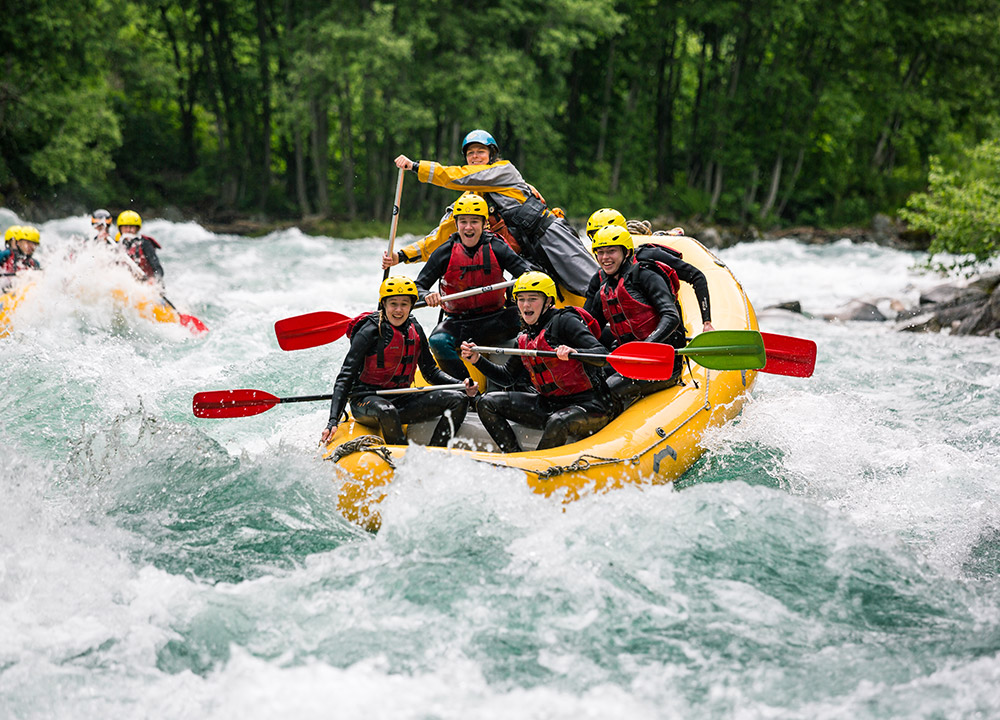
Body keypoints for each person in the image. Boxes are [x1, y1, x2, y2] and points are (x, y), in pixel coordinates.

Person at [390, 129, 598, 298]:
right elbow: (442, 235)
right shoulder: (469, 202)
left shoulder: (504, 171)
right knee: (546, 297)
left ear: (492, 155)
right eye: (470, 153)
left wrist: (417, 167)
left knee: (590, 283)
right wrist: (401, 255)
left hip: (549, 235)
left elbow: (458, 177)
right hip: (526, 254)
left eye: (480, 151)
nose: (475, 157)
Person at [460, 271, 614, 453]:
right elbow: (507, 377)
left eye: (533, 299)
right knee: (487, 402)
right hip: (549, 403)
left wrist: (576, 352)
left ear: (548, 301)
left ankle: (537, 470)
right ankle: (514, 457)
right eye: (521, 299)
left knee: (558, 421)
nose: (526, 305)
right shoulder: (524, 337)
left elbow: (603, 355)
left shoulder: (565, 321)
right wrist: (477, 360)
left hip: (590, 404)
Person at [320, 276, 477, 448]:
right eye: (393, 303)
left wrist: (460, 384)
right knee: (387, 410)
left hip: (402, 398)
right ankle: (403, 460)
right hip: (366, 400)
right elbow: (345, 377)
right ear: (384, 304)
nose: (398, 310)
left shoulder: (415, 329)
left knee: (458, 399)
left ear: (411, 306)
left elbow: (431, 372)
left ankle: (436, 452)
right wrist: (333, 420)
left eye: (404, 304)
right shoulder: (370, 331)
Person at [413, 192, 535, 379]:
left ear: (485, 224)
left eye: (474, 221)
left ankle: (523, 382)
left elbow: (527, 275)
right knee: (437, 341)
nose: (468, 227)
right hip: (459, 323)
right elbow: (418, 287)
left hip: (498, 319)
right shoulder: (444, 252)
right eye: (463, 221)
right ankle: (467, 388)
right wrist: (427, 295)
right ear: (456, 224)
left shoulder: (497, 247)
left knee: (534, 325)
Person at [584, 225, 686, 402]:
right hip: (629, 361)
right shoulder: (604, 290)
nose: (605, 258)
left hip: (661, 363)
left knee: (606, 390)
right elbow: (590, 330)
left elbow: (671, 316)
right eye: (600, 252)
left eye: (611, 251)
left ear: (626, 252)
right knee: (590, 380)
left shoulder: (646, 275)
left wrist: (646, 346)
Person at [585, 208, 714, 333]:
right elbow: (588, 320)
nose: (602, 239)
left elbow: (697, 276)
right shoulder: (600, 278)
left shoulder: (649, 257)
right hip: (628, 340)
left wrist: (707, 323)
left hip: (664, 335)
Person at [115, 210, 164, 283]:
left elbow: (158, 268)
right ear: (120, 229)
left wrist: (154, 279)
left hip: (146, 283)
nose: (128, 230)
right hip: (128, 283)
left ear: (137, 229)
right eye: (125, 227)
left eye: (131, 227)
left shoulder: (145, 244)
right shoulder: (117, 244)